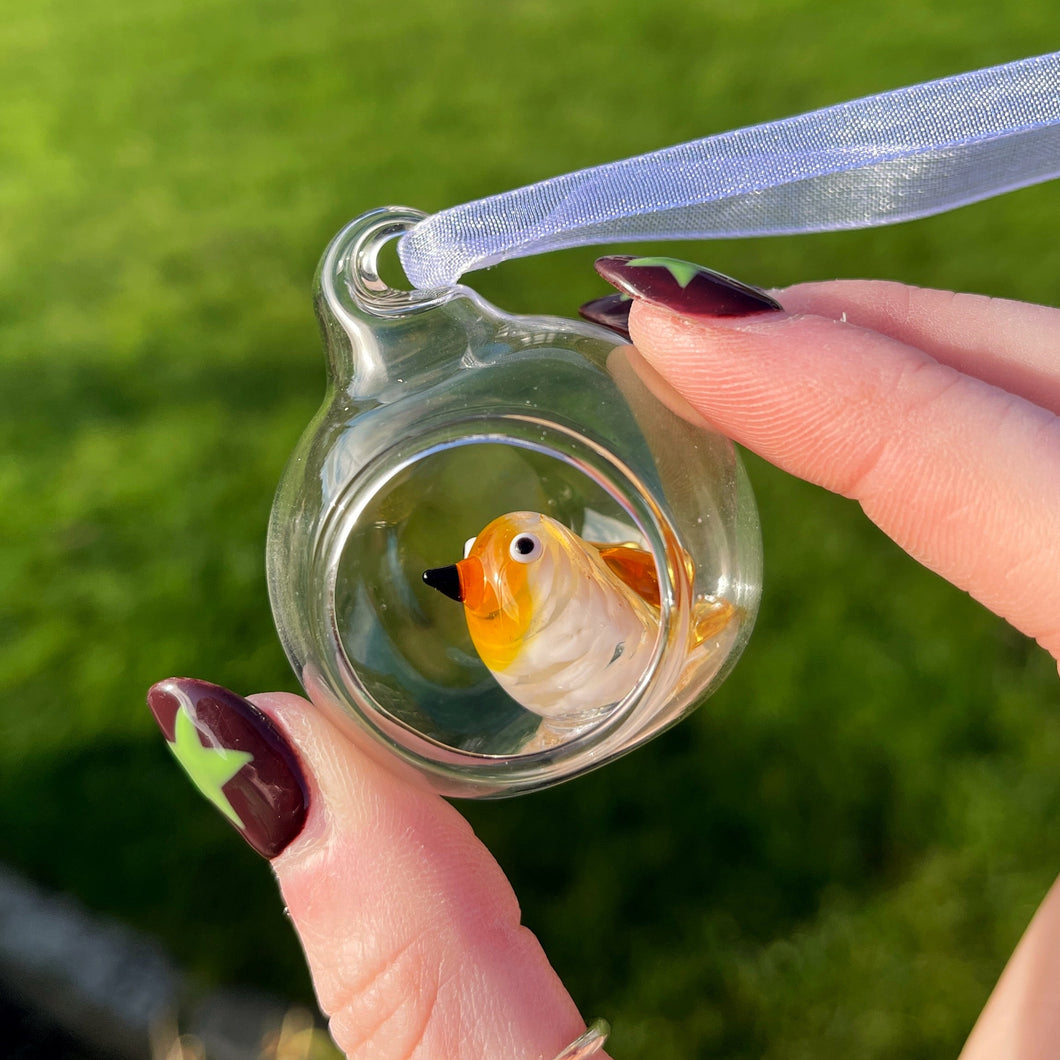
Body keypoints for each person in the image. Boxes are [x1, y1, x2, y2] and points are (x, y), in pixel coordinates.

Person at [147, 259, 1060, 1059]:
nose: (488, 575)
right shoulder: (476, 620)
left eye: (519, 554)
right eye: (472, 576)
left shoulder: (599, 567)